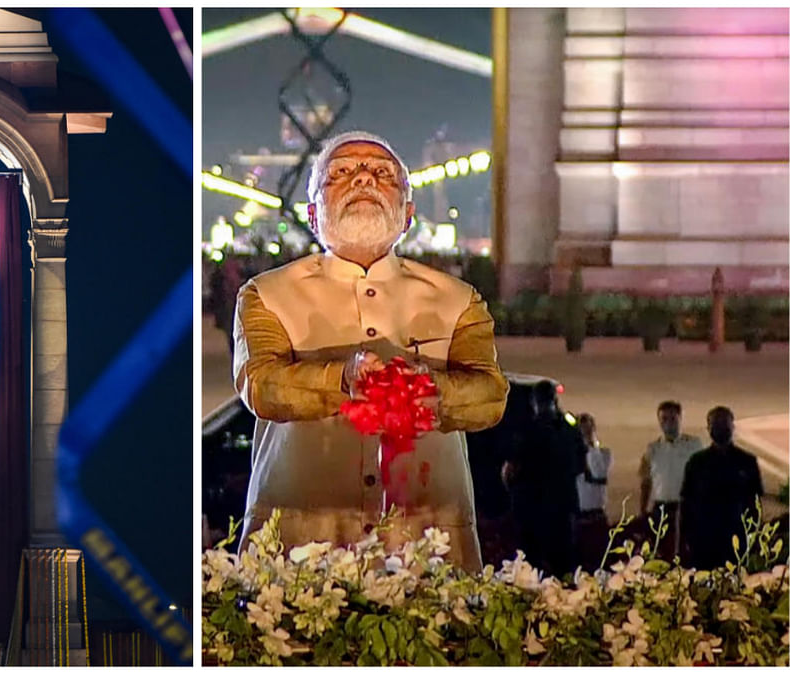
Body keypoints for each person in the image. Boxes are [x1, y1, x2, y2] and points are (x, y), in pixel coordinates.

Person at [232, 130, 509, 572]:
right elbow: (263, 386)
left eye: (382, 174)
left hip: (428, 540)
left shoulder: (459, 299)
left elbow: (490, 397)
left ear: (408, 215)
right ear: (311, 213)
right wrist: (342, 379)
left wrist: (425, 389)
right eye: (341, 174)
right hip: (299, 542)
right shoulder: (265, 295)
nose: (363, 181)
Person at [503, 381, 585, 577]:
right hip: (562, 508)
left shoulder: (525, 430)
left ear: (534, 403)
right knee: (563, 567)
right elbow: (581, 465)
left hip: (531, 509)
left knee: (531, 568)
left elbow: (510, 470)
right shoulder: (568, 430)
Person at [680, 406, 764, 569]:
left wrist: (754, 537)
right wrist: (685, 539)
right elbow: (686, 502)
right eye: (715, 424)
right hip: (704, 539)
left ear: (733, 426)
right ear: (708, 428)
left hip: (737, 537)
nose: (720, 428)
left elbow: (755, 503)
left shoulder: (747, 461)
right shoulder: (697, 462)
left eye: (724, 424)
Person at [638, 401, 703, 559]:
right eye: (663, 419)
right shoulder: (653, 449)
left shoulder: (694, 446)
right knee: (662, 550)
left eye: (672, 419)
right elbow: (646, 481)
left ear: (681, 419)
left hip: (687, 505)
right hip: (662, 506)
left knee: (687, 549)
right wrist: (643, 509)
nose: (668, 424)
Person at [574, 413, 612, 569]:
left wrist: (590, 444)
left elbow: (598, 472)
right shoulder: (572, 455)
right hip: (577, 518)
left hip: (596, 516)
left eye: (588, 430)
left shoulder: (603, 453)